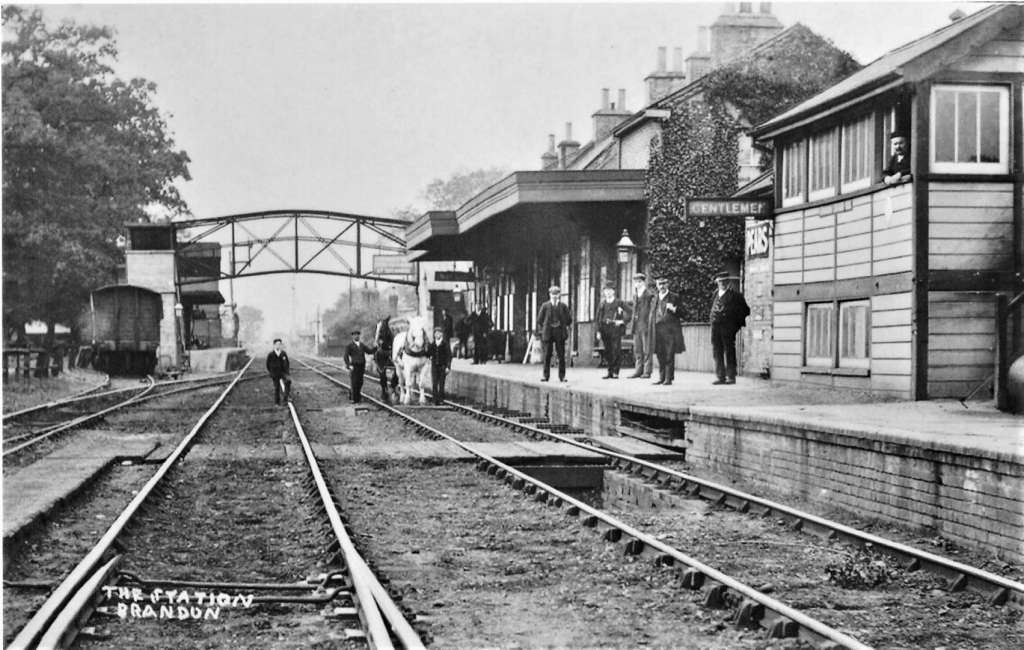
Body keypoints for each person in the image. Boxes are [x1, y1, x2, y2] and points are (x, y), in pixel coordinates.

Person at [709, 272, 751, 385]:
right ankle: (720, 376)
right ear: (717, 282)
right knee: (717, 351)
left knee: (729, 351)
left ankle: (731, 376)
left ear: (728, 282)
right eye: (720, 281)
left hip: (727, 327)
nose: (722, 283)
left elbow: (746, 310)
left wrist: (734, 325)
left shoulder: (736, 296)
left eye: (724, 281)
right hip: (715, 327)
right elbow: (712, 309)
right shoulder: (714, 294)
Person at [651, 275, 685, 386]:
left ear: (667, 284)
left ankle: (668, 378)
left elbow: (684, 313)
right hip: (658, 330)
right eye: (659, 284)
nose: (662, 286)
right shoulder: (655, 298)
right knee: (660, 354)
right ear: (656, 285)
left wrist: (674, 309)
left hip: (671, 331)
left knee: (669, 354)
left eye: (664, 284)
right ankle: (661, 377)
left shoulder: (674, 297)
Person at [536, 285, 572, 382]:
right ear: (549, 294)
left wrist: (562, 324)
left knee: (561, 355)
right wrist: (546, 326)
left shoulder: (563, 306)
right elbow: (539, 319)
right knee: (547, 355)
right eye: (553, 294)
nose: (555, 296)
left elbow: (569, 319)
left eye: (556, 294)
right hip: (548, 332)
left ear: (559, 295)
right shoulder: (545, 306)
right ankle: (545, 375)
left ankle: (562, 376)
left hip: (559, 332)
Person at [595, 282, 630, 379]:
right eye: (606, 291)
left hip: (615, 329)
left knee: (616, 350)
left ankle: (616, 372)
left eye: (610, 290)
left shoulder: (619, 303)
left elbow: (630, 312)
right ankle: (609, 371)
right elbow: (598, 318)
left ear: (614, 291)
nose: (608, 293)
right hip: (605, 329)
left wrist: (622, 321)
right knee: (607, 351)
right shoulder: (602, 304)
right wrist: (598, 331)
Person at [629, 272, 655, 379]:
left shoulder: (649, 295)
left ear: (644, 282)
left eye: (639, 282)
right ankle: (638, 370)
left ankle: (647, 371)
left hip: (645, 324)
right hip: (636, 325)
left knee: (647, 349)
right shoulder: (635, 295)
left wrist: (650, 323)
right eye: (635, 282)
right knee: (638, 349)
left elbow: (652, 311)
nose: (637, 284)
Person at [344, 329, 375, 403]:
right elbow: (346, 356)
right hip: (354, 366)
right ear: (352, 336)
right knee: (354, 382)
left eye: (357, 335)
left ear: (359, 336)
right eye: (355, 335)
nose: (356, 336)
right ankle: (355, 399)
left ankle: (357, 396)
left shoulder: (362, 345)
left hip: (361, 366)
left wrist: (376, 347)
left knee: (360, 382)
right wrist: (348, 365)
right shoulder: (349, 346)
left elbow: (369, 351)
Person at [430, 326, 452, 405]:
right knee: (434, 383)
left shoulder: (445, 344)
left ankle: (441, 399)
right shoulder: (432, 344)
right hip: (434, 366)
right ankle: (435, 400)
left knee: (442, 383)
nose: (437, 335)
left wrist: (448, 367)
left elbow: (449, 356)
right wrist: (430, 356)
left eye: (439, 333)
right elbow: (429, 353)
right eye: (436, 333)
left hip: (442, 366)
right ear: (434, 335)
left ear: (441, 334)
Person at [265, 338, 291, 405]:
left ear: (281, 345)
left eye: (279, 344)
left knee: (288, 381)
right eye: (276, 344)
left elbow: (287, 363)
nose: (278, 346)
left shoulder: (283, 353)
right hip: (275, 373)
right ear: (274, 345)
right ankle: (277, 402)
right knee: (277, 387)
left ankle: (285, 398)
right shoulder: (271, 354)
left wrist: (287, 372)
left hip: (283, 372)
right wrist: (271, 372)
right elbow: (267, 364)